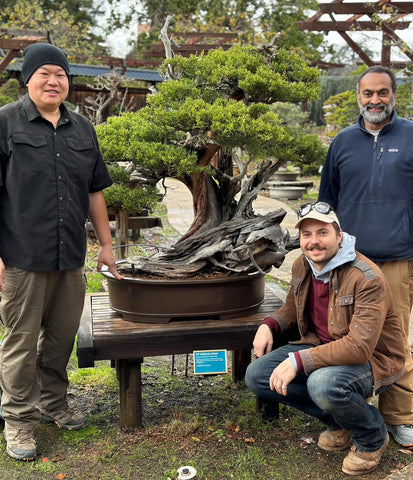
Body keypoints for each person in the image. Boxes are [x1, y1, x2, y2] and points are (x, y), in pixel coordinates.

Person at [0, 42, 122, 461]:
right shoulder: (6, 124)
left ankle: (54, 403)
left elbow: (95, 191)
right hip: (21, 257)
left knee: (61, 337)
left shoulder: (82, 129)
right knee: (20, 340)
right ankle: (17, 420)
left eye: (62, 75)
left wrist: (106, 245)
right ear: (28, 78)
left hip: (70, 256)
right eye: (45, 74)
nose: (54, 82)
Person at [245, 202, 405, 476]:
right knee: (258, 376)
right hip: (320, 347)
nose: (314, 242)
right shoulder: (302, 264)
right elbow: (290, 310)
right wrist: (269, 325)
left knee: (324, 384)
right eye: (307, 234)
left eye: (322, 232)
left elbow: (358, 347)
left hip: (373, 359)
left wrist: (299, 360)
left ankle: (371, 437)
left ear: (339, 236)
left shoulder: (367, 278)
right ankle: (340, 423)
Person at [318, 65, 413, 448]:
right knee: (343, 336)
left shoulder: (411, 136)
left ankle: (401, 417)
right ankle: (347, 416)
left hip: (397, 258)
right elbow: (327, 200)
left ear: (394, 95)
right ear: (358, 96)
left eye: (383, 93)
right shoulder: (342, 142)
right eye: (368, 93)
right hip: (348, 262)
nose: (375, 100)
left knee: (394, 339)